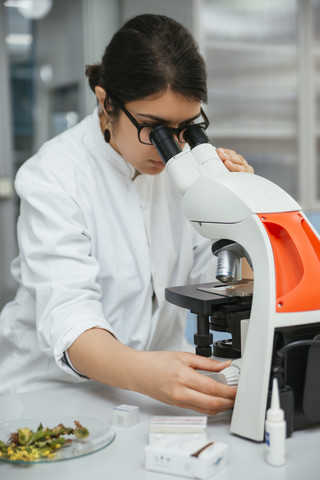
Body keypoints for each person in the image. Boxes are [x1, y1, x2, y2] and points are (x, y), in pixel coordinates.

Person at [0, 14, 253, 414]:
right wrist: (147, 374)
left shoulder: (186, 175)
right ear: (106, 103)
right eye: (153, 128)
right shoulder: (54, 175)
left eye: (186, 127)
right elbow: (71, 320)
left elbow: (231, 285)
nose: (169, 146)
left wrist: (246, 216)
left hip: (153, 392)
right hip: (53, 394)